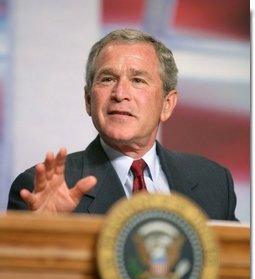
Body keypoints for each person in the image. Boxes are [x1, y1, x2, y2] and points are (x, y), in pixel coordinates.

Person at [7, 28, 237, 220]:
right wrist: (44, 231)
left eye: (138, 80)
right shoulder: (40, 190)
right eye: (108, 79)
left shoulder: (214, 181)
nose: (120, 93)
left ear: (167, 104)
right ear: (89, 101)